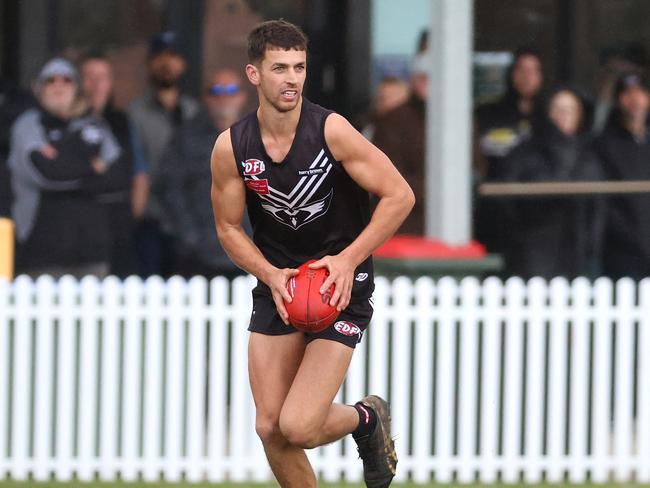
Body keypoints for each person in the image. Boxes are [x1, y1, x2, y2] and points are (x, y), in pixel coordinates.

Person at [210, 20, 414, 488]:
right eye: (279, 67)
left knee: (298, 426)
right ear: (254, 74)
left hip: (338, 287)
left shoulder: (332, 131)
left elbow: (399, 196)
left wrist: (347, 260)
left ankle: (366, 420)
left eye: (299, 67)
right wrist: (269, 274)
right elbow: (227, 227)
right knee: (269, 427)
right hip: (279, 287)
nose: (292, 79)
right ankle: (363, 422)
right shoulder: (232, 147)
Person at [9, 58, 121, 278]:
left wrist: (62, 157)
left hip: (92, 250)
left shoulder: (94, 124)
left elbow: (116, 174)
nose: (58, 86)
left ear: (77, 88)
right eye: (50, 80)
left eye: (66, 80)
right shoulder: (27, 125)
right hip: (40, 251)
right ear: (38, 88)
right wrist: (90, 166)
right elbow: (46, 173)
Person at [500, 87, 602, 279]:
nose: (564, 115)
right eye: (558, 109)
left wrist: (591, 246)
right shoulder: (523, 154)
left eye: (570, 109)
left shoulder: (589, 157)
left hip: (578, 255)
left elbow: (597, 208)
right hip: (532, 254)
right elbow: (506, 204)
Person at [157, 69, 249, 278]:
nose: (224, 97)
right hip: (199, 257)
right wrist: (190, 236)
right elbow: (168, 188)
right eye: (216, 91)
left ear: (243, 96)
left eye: (231, 90)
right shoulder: (185, 138)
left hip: (252, 254)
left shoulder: (260, 137)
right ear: (206, 98)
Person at [128, 31, 200, 276]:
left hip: (191, 219)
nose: (166, 63)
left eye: (173, 56)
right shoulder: (135, 113)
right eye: (160, 56)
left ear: (183, 63)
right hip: (151, 220)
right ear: (149, 63)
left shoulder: (194, 112)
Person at [80, 52, 149, 278]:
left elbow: (140, 173)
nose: (96, 84)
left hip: (119, 220)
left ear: (110, 83)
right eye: (89, 77)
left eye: (103, 77)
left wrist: (133, 216)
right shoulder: (70, 121)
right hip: (81, 218)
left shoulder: (122, 121)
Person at [473, 48, 544, 259]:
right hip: (495, 208)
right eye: (522, 70)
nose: (527, 77)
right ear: (511, 74)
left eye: (534, 71)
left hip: (537, 211)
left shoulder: (548, 117)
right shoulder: (488, 114)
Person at [595, 73, 650, 280]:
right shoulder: (604, 145)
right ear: (619, 101)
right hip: (622, 253)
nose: (635, 100)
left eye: (641, 93)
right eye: (627, 94)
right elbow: (604, 203)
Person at [372, 51, 428, 235]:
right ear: (412, 80)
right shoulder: (394, 121)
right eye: (422, 77)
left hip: (457, 228)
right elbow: (383, 176)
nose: (427, 83)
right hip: (402, 227)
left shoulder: (461, 120)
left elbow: (476, 167)